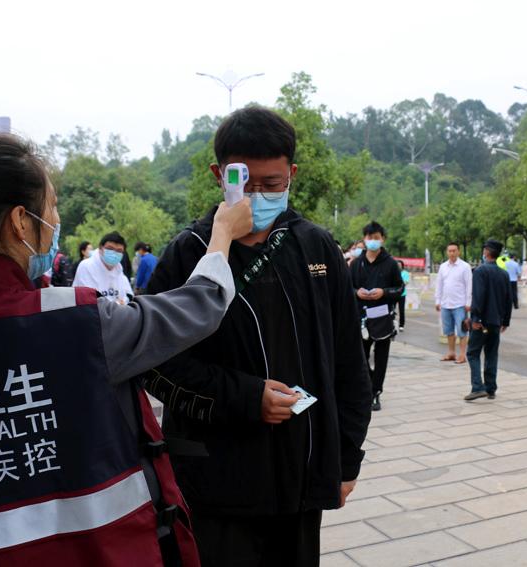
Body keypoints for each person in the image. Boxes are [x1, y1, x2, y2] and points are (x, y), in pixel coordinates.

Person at [0, 133, 253, 566]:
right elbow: (199, 306)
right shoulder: (78, 322)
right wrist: (223, 231)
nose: (55, 222)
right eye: (52, 207)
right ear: (20, 222)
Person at [141, 107, 372, 567]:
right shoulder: (190, 251)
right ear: (219, 174)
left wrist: (346, 461)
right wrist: (245, 398)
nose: (259, 196)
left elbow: (348, 359)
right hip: (216, 483)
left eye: (273, 183)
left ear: (292, 174)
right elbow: (153, 361)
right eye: (245, 183)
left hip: (300, 478)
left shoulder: (316, 246)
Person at [350, 221, 405, 412]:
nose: (372, 241)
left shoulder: (390, 264)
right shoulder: (356, 264)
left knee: (381, 359)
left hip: (383, 318)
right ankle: (368, 387)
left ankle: (376, 392)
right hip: (361, 318)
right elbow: (346, 288)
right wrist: (357, 293)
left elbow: (400, 288)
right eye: (369, 237)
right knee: (361, 358)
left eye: (376, 238)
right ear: (364, 240)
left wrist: (384, 292)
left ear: (383, 239)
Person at [464, 239, 512, 401]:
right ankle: (490, 388)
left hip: (481, 321)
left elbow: (478, 297)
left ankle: (477, 387)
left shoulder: (480, 271)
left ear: (486, 252)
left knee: (472, 353)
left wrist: (475, 318)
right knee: (491, 354)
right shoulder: (504, 274)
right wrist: (505, 321)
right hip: (496, 322)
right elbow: (508, 299)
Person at [434, 242, 472, 364]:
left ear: (458, 252)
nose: (452, 253)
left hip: (460, 304)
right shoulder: (443, 267)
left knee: (462, 330)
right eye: (449, 251)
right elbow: (439, 284)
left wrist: (468, 302)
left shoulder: (465, 266)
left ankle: (462, 355)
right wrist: (437, 300)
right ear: (447, 252)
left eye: (454, 250)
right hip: (445, 303)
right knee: (448, 330)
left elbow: (469, 286)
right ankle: (451, 352)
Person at [72, 232, 134, 304]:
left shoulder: (119, 270)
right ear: (101, 248)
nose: (114, 253)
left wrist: (123, 301)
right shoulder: (86, 266)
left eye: (119, 250)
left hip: (116, 314)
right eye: (110, 248)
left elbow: (129, 294)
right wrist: (118, 304)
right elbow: (90, 300)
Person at [397, 260, 410, 331]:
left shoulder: (405, 273)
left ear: (402, 265)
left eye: (400, 265)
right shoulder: (394, 272)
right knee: (391, 309)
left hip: (402, 294)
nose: (398, 266)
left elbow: (405, 282)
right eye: (397, 265)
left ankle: (401, 325)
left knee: (401, 310)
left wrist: (398, 282)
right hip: (393, 294)